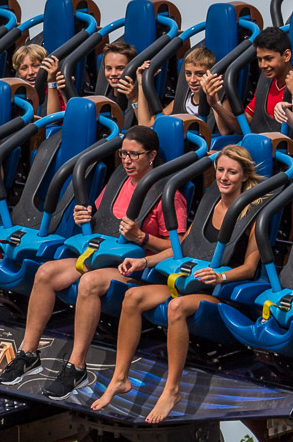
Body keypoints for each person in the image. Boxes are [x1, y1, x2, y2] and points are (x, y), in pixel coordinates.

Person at [0, 125, 188, 399]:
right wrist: (85, 216)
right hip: (102, 254)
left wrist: (142, 237)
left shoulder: (169, 195)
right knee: (46, 272)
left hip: (134, 266)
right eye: (123, 154)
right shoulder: (118, 180)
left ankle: (77, 366)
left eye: (135, 155)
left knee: (89, 282)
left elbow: (179, 248)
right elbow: (102, 217)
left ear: (152, 156)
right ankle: (28, 353)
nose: (127, 161)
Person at [91, 144, 264, 423]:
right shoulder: (211, 201)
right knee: (133, 298)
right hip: (189, 280)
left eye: (232, 172)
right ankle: (119, 378)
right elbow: (183, 246)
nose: (224, 177)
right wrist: (145, 261)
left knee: (176, 308)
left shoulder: (252, 213)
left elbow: (249, 267)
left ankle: (172, 390)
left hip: (221, 293)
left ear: (244, 176)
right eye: (220, 170)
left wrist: (220, 276)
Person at [222, 27, 293, 136]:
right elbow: (242, 126)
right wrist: (215, 103)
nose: (263, 65)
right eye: (259, 59)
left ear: (286, 56)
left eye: (269, 59)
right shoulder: (265, 80)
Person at [42, 39, 135, 114]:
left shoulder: (135, 95)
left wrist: (134, 99)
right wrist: (65, 93)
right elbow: (76, 119)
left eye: (120, 68)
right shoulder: (104, 95)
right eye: (109, 68)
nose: (113, 73)